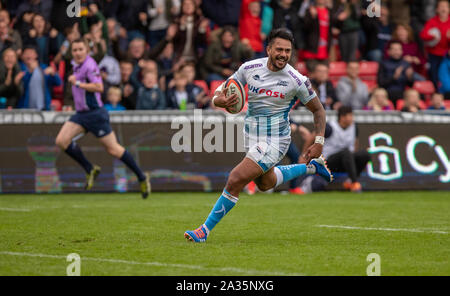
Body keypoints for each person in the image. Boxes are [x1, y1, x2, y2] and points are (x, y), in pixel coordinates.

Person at [184, 29, 333, 243]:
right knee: (265, 184)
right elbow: (220, 91)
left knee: (235, 179)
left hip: (276, 140)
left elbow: (318, 110)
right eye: (279, 49)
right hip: (251, 136)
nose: (283, 54)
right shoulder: (249, 68)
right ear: (269, 49)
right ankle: (312, 167)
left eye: (287, 51)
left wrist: (319, 141)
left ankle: (203, 231)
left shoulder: (296, 80)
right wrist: (219, 101)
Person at [54, 39, 150, 199]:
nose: (77, 52)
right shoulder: (76, 65)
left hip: (95, 114)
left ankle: (141, 176)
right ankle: (89, 168)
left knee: (114, 149)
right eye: (75, 50)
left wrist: (78, 83)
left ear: (87, 51)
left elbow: (99, 87)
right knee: (61, 141)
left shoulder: (90, 66)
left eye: (80, 49)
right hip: (81, 114)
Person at [303, 106, 371, 193]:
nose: (352, 118)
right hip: (330, 162)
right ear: (342, 117)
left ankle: (351, 180)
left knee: (364, 154)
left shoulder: (354, 127)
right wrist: (304, 155)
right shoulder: (330, 127)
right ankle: (354, 183)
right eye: (350, 115)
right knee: (345, 152)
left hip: (347, 161)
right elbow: (312, 137)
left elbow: (355, 143)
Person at [17, 46, 61, 110]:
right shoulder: (19, 68)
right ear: (22, 56)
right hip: (25, 108)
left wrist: (53, 74)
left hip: (43, 108)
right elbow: (21, 87)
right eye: (26, 53)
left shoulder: (43, 68)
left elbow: (58, 83)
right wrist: (30, 72)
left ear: (36, 55)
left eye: (31, 53)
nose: (29, 55)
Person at [420, 0, 450, 88]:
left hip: (447, 55)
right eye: (441, 6)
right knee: (433, 73)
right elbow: (423, 35)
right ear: (437, 9)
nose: (443, 9)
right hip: (434, 54)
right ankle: (436, 91)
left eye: (446, 6)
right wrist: (433, 36)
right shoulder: (432, 21)